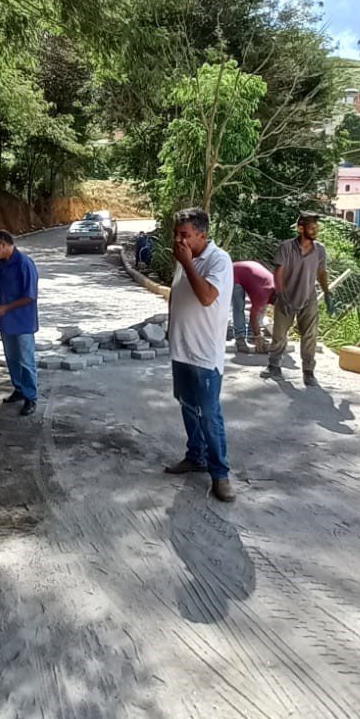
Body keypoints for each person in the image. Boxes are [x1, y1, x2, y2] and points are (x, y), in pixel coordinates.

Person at [163, 207, 236, 502]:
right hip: (182, 350)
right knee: (187, 406)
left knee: (209, 415)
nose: (178, 240)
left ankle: (220, 474)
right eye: (176, 234)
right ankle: (196, 456)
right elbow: (177, 294)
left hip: (204, 354)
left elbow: (206, 297)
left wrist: (187, 263)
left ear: (202, 235)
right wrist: (171, 328)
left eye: (185, 235)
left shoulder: (219, 260)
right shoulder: (186, 258)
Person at [266, 213, 332, 385]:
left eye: (316, 228)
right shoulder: (286, 247)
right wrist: (282, 296)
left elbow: (321, 272)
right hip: (287, 296)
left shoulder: (320, 250)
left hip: (308, 298)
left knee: (310, 336)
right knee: (279, 333)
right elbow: (278, 273)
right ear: (301, 229)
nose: (315, 231)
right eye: (311, 228)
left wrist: (327, 292)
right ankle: (273, 365)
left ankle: (308, 371)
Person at [0, 230, 39, 417]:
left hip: (23, 320)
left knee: (26, 360)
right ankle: (19, 388)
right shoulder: (0, 265)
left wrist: (6, 308)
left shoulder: (24, 263)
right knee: (12, 358)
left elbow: (30, 295)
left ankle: (30, 397)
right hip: (6, 320)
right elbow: (0, 290)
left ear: (3, 244)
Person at [231, 258, 275, 353]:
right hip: (235, 273)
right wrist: (258, 335)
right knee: (239, 307)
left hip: (250, 272)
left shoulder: (276, 288)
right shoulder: (263, 293)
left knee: (262, 308)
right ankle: (240, 338)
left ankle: (251, 335)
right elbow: (253, 317)